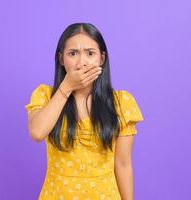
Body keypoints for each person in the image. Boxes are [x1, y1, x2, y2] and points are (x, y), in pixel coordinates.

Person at [25, 22, 144, 200]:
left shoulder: (121, 103)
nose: (82, 62)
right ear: (61, 59)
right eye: (73, 54)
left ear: (101, 58)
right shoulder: (45, 96)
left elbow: (123, 164)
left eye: (90, 53)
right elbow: (37, 132)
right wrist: (66, 86)